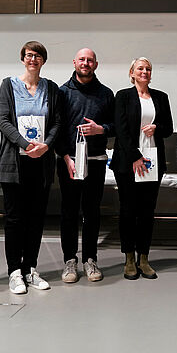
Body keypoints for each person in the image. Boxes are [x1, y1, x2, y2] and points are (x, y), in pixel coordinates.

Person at [0, 41, 61, 294]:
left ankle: (30, 269)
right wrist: (25, 144)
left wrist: (45, 145)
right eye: (29, 55)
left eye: (38, 56)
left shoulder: (52, 89)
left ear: (43, 61)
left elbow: (57, 122)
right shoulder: (8, 85)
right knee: (15, 219)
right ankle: (14, 272)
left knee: (36, 218)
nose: (33, 59)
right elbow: (3, 120)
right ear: (22, 59)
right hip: (15, 163)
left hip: (41, 163)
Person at [110, 57, 173, 280]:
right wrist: (135, 156)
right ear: (132, 72)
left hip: (153, 162)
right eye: (140, 68)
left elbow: (167, 128)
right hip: (128, 163)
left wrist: (156, 127)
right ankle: (128, 259)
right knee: (128, 211)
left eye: (148, 68)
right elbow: (121, 129)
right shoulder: (123, 96)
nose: (144, 71)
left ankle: (144, 258)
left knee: (147, 211)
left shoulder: (160, 97)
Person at [56, 48, 115, 284]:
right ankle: (70, 260)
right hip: (70, 162)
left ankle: (91, 259)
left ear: (96, 65)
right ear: (74, 62)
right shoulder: (61, 93)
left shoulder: (106, 94)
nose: (86, 63)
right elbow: (56, 128)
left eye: (90, 60)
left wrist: (101, 129)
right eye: (82, 59)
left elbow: (115, 126)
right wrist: (65, 157)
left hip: (97, 160)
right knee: (69, 212)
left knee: (92, 212)